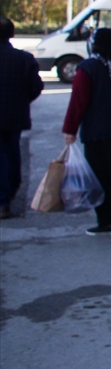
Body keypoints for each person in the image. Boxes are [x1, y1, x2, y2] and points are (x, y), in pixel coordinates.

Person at [62, 28, 111, 235]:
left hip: (99, 134)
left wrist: (70, 129)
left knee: (102, 178)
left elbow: (78, 101)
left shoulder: (87, 68)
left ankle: (108, 221)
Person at [0, 16, 43, 219]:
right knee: (12, 153)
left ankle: (2, 199)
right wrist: (22, 101)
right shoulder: (24, 59)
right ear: (12, 34)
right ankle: (9, 192)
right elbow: (36, 87)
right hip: (15, 115)